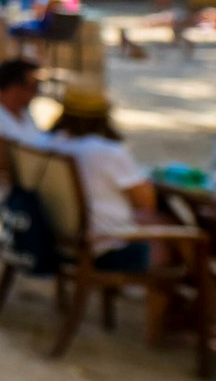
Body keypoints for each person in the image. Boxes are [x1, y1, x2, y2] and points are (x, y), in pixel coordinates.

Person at [47, 80, 167, 272]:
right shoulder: (106, 151)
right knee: (176, 234)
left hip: (58, 241)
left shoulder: (47, 143)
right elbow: (146, 201)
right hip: (102, 249)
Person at [0, 57, 50, 178]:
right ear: (14, 88)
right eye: (33, 87)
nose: (36, 93)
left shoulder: (24, 113)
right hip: (17, 187)